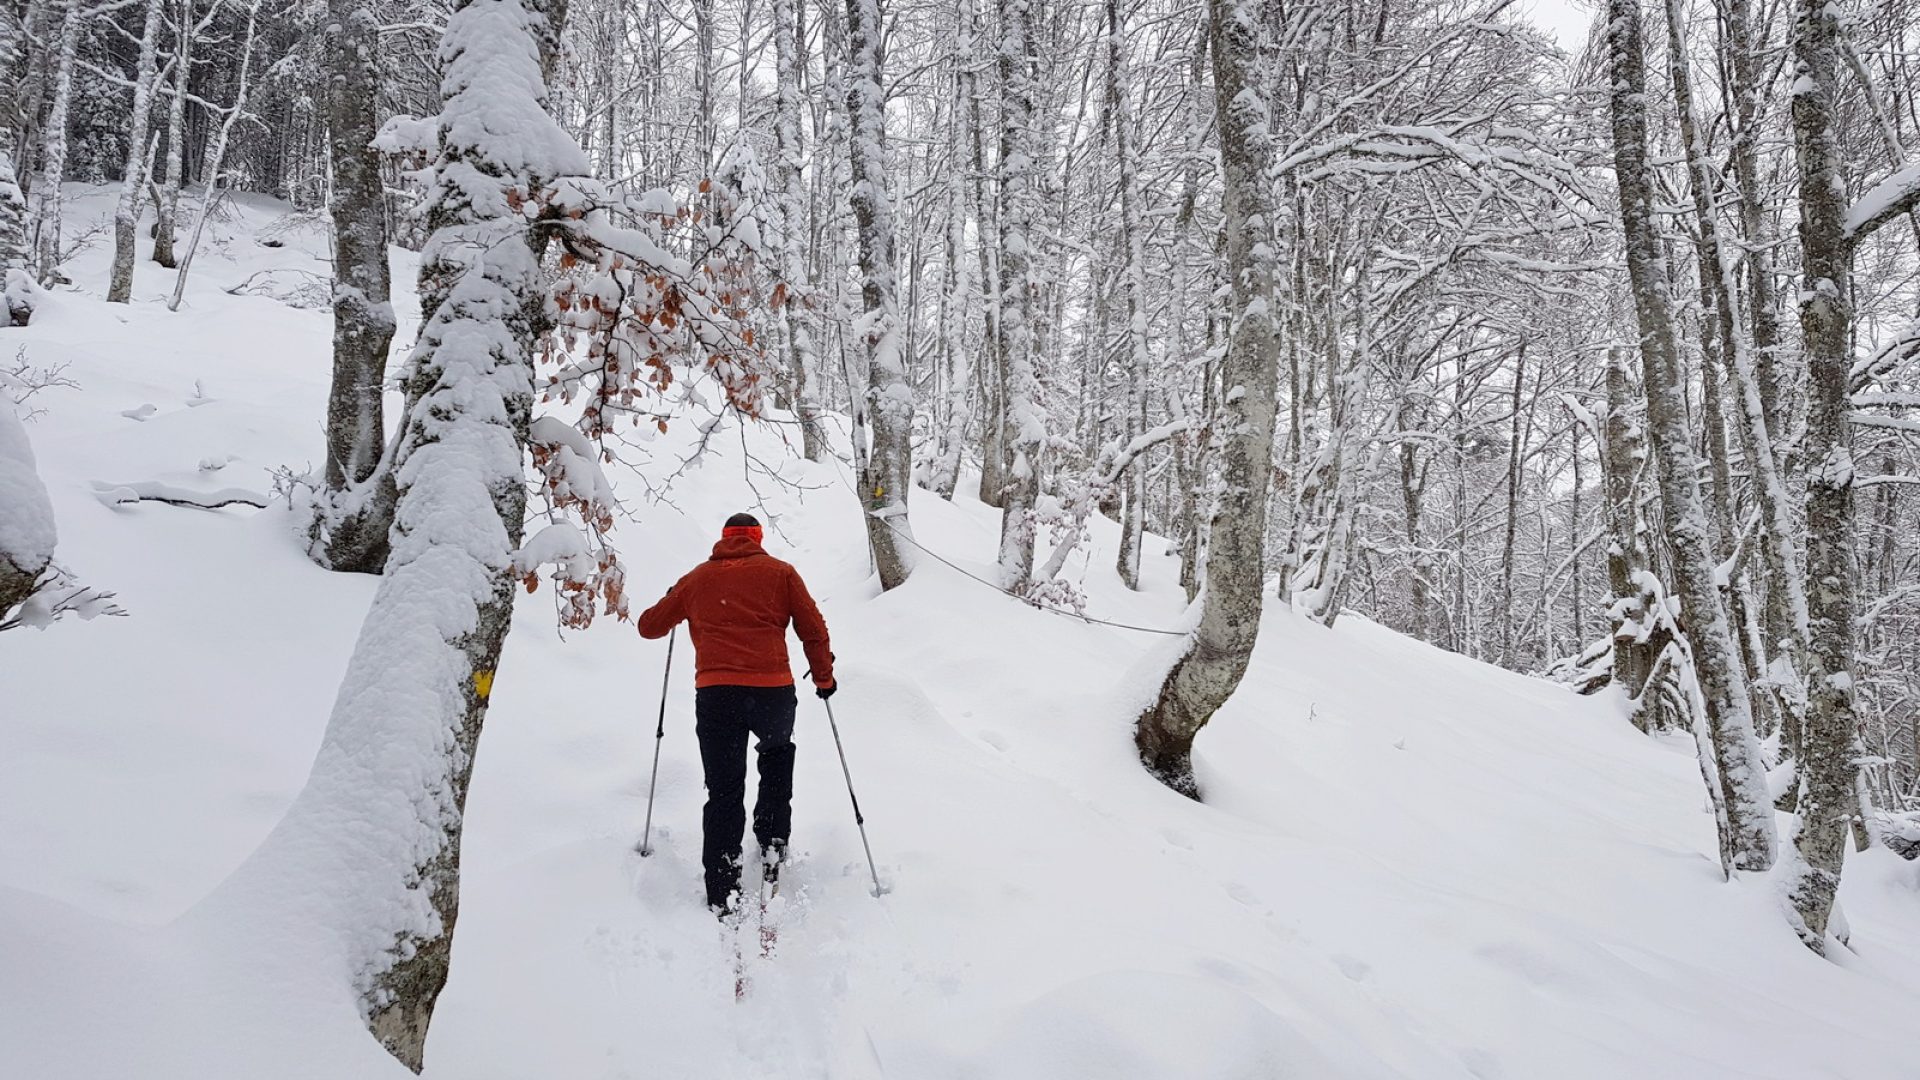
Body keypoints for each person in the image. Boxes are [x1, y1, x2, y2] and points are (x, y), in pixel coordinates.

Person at [638, 512, 836, 917]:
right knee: (776, 759)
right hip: (772, 692)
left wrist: (674, 596)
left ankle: (721, 883)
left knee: (724, 789)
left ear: (724, 538)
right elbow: (813, 629)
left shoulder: (697, 578)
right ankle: (772, 844)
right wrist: (823, 678)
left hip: (717, 694)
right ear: (757, 538)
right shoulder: (781, 574)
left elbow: (649, 626)